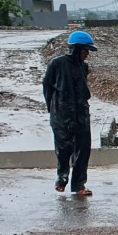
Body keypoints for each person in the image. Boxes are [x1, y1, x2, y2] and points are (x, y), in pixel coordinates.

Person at [43, 30, 98, 196]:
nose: (87, 54)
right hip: (61, 113)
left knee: (83, 150)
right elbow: (47, 88)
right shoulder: (56, 64)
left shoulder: (84, 66)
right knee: (64, 149)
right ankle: (62, 179)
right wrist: (52, 111)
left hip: (81, 112)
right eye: (85, 50)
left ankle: (79, 185)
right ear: (77, 48)